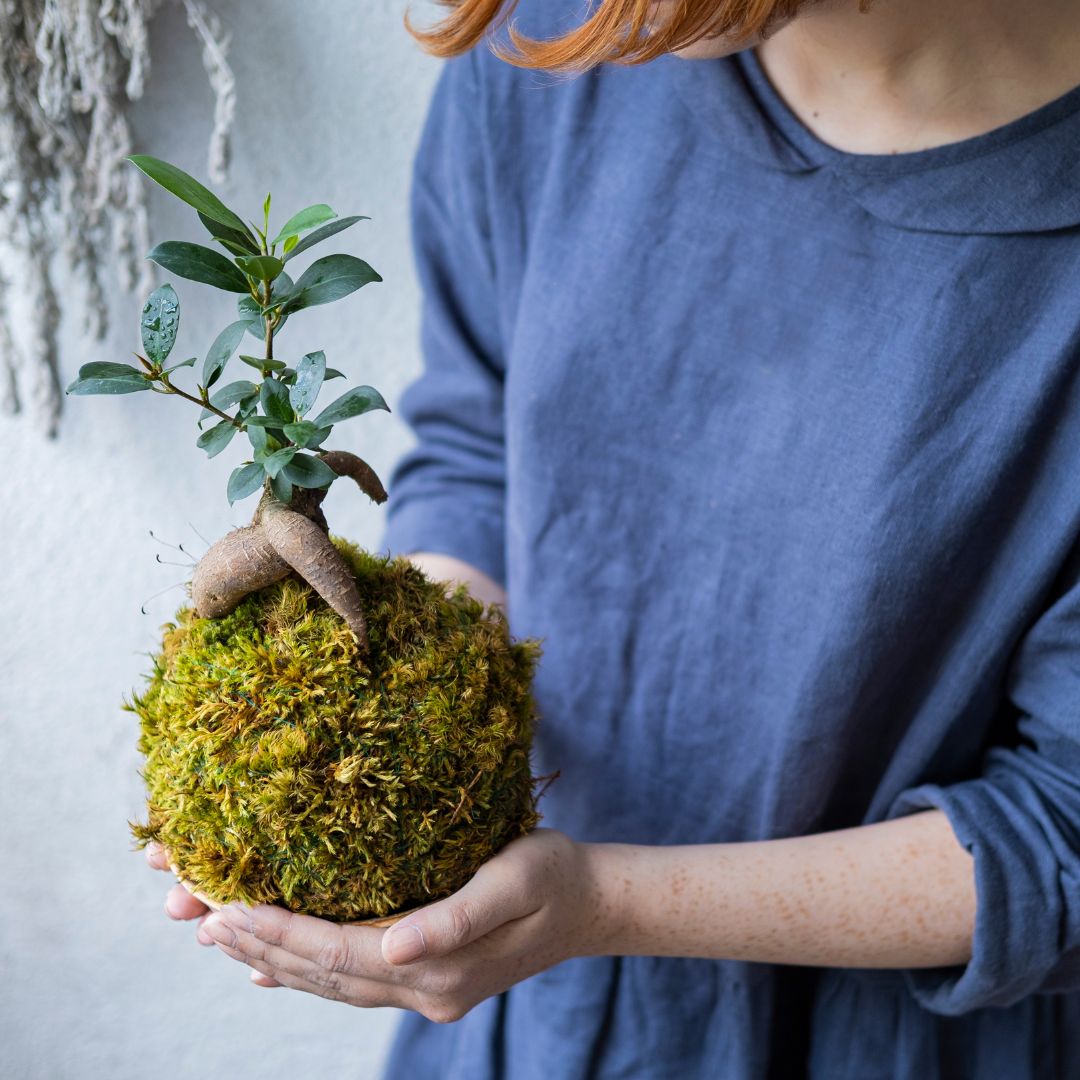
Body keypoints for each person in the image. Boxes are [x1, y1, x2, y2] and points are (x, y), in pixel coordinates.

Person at [145, 0, 1080, 1075]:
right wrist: (389, 697)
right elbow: (479, 437)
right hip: (529, 1017)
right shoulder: (560, 40)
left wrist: (598, 907)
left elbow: (1060, 830)